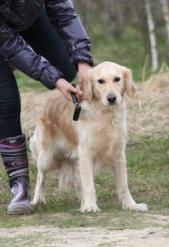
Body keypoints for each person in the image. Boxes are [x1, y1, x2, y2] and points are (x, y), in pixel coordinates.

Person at [0, 0, 94, 215]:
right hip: (4, 36)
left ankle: (19, 60)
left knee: (66, 66)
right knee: (6, 101)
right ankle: (20, 187)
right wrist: (56, 81)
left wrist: (83, 60)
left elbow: (65, 14)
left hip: (30, 18)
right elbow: (10, 44)